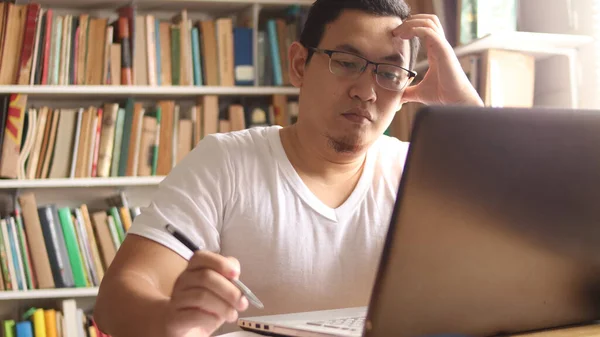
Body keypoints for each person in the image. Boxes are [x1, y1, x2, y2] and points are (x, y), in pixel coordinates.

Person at [93, 0, 483, 336]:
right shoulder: (226, 163)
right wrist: (171, 320)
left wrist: (468, 110)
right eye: (347, 63)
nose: (366, 92)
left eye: (388, 74)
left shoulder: (418, 173)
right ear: (299, 64)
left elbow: (527, 246)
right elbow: (116, 299)